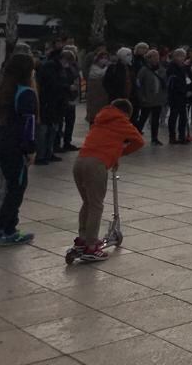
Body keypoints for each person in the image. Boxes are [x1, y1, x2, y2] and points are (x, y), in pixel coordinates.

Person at [71, 98, 144, 261]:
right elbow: (139, 141)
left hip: (80, 161)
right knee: (96, 205)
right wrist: (120, 153)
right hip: (96, 164)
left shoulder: (100, 119)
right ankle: (91, 246)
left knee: (87, 203)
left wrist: (114, 152)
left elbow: (104, 141)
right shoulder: (122, 121)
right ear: (126, 113)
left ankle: (82, 239)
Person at [0, 53, 38, 245]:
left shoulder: (4, 89)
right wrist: (30, 149)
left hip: (3, 144)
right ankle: (7, 229)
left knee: (9, 187)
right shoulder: (26, 93)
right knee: (16, 189)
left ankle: (1, 227)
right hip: (16, 148)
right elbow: (28, 125)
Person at [35, 46, 67, 165]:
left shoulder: (55, 68)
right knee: (45, 131)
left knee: (52, 130)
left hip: (53, 104)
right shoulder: (51, 68)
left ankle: (47, 153)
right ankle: (42, 155)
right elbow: (53, 85)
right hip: (48, 104)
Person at [135, 49, 166, 146]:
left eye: (157, 56)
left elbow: (164, 83)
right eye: (154, 56)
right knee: (143, 118)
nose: (157, 58)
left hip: (158, 99)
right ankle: (136, 136)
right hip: (147, 99)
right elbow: (138, 84)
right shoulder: (144, 70)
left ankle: (154, 138)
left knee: (155, 119)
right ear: (149, 58)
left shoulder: (161, 69)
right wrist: (141, 97)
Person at [57, 47, 81, 152]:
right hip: (63, 97)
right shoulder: (60, 68)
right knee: (60, 122)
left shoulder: (73, 67)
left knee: (70, 121)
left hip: (71, 97)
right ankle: (57, 144)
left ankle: (67, 141)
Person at [166, 49, 192, 144]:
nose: (181, 58)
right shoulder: (171, 67)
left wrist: (189, 90)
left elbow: (190, 79)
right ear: (175, 56)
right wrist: (183, 90)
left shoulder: (185, 67)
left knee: (183, 117)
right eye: (179, 56)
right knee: (173, 116)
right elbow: (173, 82)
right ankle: (172, 136)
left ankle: (182, 136)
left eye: (183, 56)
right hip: (175, 95)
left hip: (184, 96)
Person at [85, 48, 110, 125]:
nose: (104, 60)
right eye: (102, 58)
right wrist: (106, 68)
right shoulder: (93, 68)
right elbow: (99, 74)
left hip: (103, 97)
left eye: (106, 58)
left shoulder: (106, 69)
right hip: (94, 97)